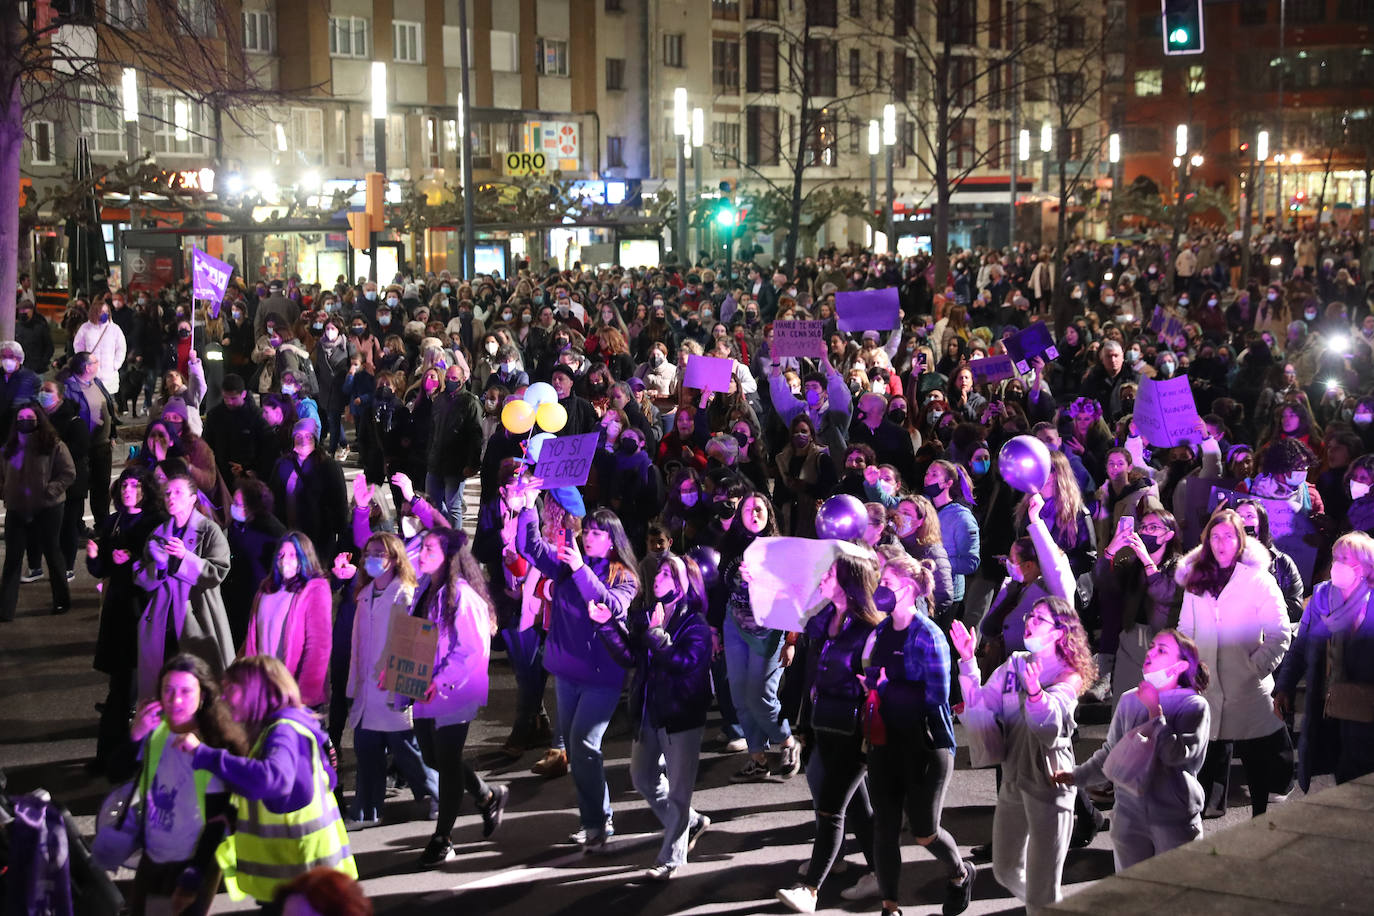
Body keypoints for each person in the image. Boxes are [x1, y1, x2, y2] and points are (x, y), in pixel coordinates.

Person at [510, 475, 640, 851]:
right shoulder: (568, 564)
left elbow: (610, 605)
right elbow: (529, 547)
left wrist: (582, 568)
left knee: (585, 744)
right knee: (577, 751)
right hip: (566, 673)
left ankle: (601, 822)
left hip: (602, 678)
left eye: (597, 533)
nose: (588, 536)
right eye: (589, 532)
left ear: (613, 540)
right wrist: (529, 506)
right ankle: (592, 821)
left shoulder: (624, 575)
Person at [952, 596, 1096, 915]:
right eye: (1030, 615)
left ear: (1060, 632)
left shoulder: (1068, 674)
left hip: (1050, 783)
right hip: (1014, 779)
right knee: (1005, 870)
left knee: (1042, 891)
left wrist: (1035, 694)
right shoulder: (1017, 662)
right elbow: (982, 702)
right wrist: (966, 661)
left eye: (1039, 619)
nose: (1029, 621)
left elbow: (1050, 727)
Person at [175, 656, 357, 906]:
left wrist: (204, 754)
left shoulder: (284, 731)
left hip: (305, 883)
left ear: (256, 689)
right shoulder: (282, 728)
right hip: (299, 882)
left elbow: (271, 779)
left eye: (231, 689)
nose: (225, 698)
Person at [592, 554, 713, 881]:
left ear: (681, 581)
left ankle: (671, 858)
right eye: (656, 572)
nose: (656, 577)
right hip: (648, 711)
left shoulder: (696, 625)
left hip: (680, 717)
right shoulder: (646, 616)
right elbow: (631, 657)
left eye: (664, 573)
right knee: (642, 778)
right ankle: (690, 821)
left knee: (678, 792)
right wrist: (606, 625)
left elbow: (683, 662)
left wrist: (659, 635)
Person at [866, 553, 975, 916]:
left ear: (910, 589)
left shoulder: (929, 635)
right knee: (884, 828)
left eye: (888, 584)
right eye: (880, 583)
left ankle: (960, 873)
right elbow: (873, 676)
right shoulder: (881, 630)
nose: (880, 590)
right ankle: (890, 907)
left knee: (925, 831)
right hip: (886, 741)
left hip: (926, 744)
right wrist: (868, 683)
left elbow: (936, 697)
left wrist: (886, 686)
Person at [775, 554, 883, 915]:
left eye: (829, 575)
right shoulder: (826, 617)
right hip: (825, 724)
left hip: (855, 731)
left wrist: (868, 685)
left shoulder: (869, 628)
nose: (822, 580)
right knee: (859, 808)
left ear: (848, 583)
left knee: (831, 806)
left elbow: (881, 683)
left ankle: (811, 889)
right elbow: (795, 613)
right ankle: (882, 872)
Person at [1053, 629, 1211, 869]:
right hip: (1129, 817)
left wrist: (1154, 714)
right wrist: (1078, 776)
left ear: (1179, 667)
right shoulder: (1129, 699)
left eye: (1162, 650)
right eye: (1152, 647)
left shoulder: (1194, 705)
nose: (1150, 653)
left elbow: (1175, 754)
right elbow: (1111, 752)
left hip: (1174, 819)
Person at [1178, 508, 1292, 818]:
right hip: (1207, 685)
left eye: (1228, 535)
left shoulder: (1258, 580)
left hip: (1247, 686)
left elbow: (1279, 632)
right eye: (1215, 536)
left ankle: (1259, 817)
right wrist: (1190, 669)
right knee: (1207, 750)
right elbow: (1186, 630)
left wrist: (1255, 668)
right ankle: (1203, 815)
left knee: (1256, 758)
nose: (1221, 542)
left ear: (1240, 540)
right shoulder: (1195, 580)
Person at [408, 528, 510, 867]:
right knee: (434, 757)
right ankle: (487, 795)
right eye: (421, 548)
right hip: (426, 688)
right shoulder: (427, 589)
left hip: (455, 690)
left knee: (447, 759)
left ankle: (443, 838)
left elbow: (470, 649)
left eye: (428, 549)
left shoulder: (463, 597)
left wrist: (440, 680)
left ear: (449, 556)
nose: (421, 554)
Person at [119, 654, 248, 916]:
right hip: (154, 855)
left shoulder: (210, 746)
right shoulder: (155, 731)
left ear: (202, 697)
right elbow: (115, 771)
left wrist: (191, 879)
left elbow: (218, 822)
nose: (175, 700)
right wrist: (135, 735)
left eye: (186, 691)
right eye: (168, 690)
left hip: (190, 862)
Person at [340, 532, 439, 828]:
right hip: (366, 692)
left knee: (409, 754)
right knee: (366, 751)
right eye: (368, 552)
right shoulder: (364, 595)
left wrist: (401, 680)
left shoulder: (405, 594)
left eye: (379, 554)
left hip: (392, 687)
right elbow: (357, 646)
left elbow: (414, 642)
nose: (371, 558)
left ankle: (440, 793)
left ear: (395, 560)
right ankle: (365, 811)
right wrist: (352, 685)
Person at [1275, 531, 1374, 788]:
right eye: (1335, 557)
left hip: (1367, 706)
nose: (1337, 564)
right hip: (1329, 702)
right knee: (1340, 770)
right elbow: (1301, 646)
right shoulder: (1321, 596)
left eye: (1346, 558)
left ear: (1365, 566)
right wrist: (1284, 687)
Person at [720, 493, 802, 781]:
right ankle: (757, 758)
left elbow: (795, 597)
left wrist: (791, 641)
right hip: (734, 624)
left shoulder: (780, 549)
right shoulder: (730, 544)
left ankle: (788, 742)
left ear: (769, 514)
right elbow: (722, 587)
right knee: (740, 695)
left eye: (759, 509)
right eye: (747, 509)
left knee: (760, 696)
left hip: (769, 630)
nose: (753, 513)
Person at [132, 470, 235, 698]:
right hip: (162, 623)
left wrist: (184, 558)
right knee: (164, 688)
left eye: (178, 492)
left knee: (204, 688)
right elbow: (141, 577)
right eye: (167, 492)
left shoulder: (209, 531)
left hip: (196, 620)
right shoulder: (158, 534)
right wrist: (158, 566)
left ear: (193, 498)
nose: (171, 497)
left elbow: (217, 571)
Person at [88, 469, 161, 773]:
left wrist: (131, 562)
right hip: (117, 609)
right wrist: (94, 557)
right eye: (125, 486)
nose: (129, 490)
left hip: (139, 610)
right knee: (119, 686)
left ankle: (118, 759)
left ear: (145, 490)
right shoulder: (112, 521)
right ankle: (110, 758)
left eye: (135, 485)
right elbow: (100, 568)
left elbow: (156, 567)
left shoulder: (152, 523)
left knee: (126, 688)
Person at [0, 403, 76, 621]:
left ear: (39, 419)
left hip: (48, 508)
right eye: (21, 417)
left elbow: (68, 472)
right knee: (13, 559)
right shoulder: (9, 447)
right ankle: (5, 609)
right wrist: (6, 492)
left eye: (29, 417)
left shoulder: (53, 445)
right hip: (16, 509)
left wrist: (50, 491)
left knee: (53, 553)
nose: (25, 421)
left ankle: (62, 601)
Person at [241, 532, 332, 708]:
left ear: (305, 557)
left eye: (293, 555)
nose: (285, 560)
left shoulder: (314, 590)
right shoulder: (266, 590)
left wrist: (304, 696)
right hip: (264, 688)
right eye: (281, 555)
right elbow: (253, 638)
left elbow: (318, 646)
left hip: (293, 692)